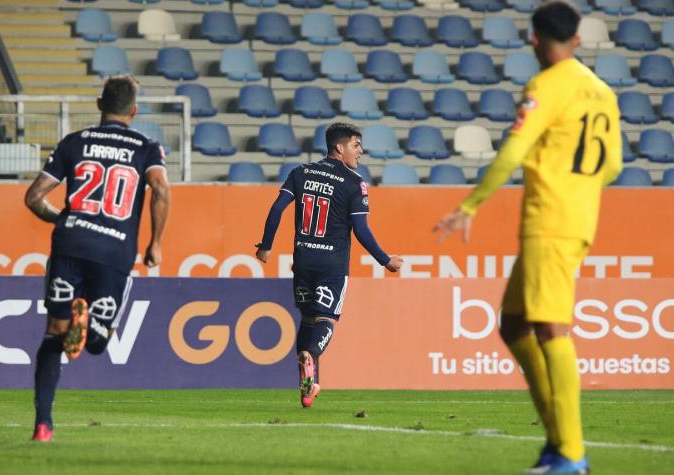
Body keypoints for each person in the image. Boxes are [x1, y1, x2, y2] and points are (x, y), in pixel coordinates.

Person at [433, 2, 622, 473]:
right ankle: (559, 442)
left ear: (534, 40)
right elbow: (614, 164)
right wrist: (578, 188)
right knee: (514, 325)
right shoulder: (603, 92)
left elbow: (514, 149)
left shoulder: (545, 86)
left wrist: (471, 204)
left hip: (550, 221)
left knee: (551, 328)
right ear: (577, 40)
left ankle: (572, 453)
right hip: (577, 218)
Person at [24, 76, 170, 442]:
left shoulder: (75, 142)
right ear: (133, 111)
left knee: (53, 335)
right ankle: (88, 323)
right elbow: (161, 189)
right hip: (114, 250)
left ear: (98, 104)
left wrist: (65, 219)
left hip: (70, 243)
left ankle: (43, 424)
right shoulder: (146, 147)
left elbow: (33, 197)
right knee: (97, 343)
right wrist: (156, 243)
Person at [255, 122, 403, 408]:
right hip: (332, 263)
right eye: (356, 145)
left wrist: (266, 246)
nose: (361, 151)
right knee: (327, 319)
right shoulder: (354, 182)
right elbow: (361, 229)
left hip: (303, 261)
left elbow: (276, 209)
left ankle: (307, 386)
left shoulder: (301, 172)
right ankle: (309, 355)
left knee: (309, 319)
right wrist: (385, 260)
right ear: (340, 147)